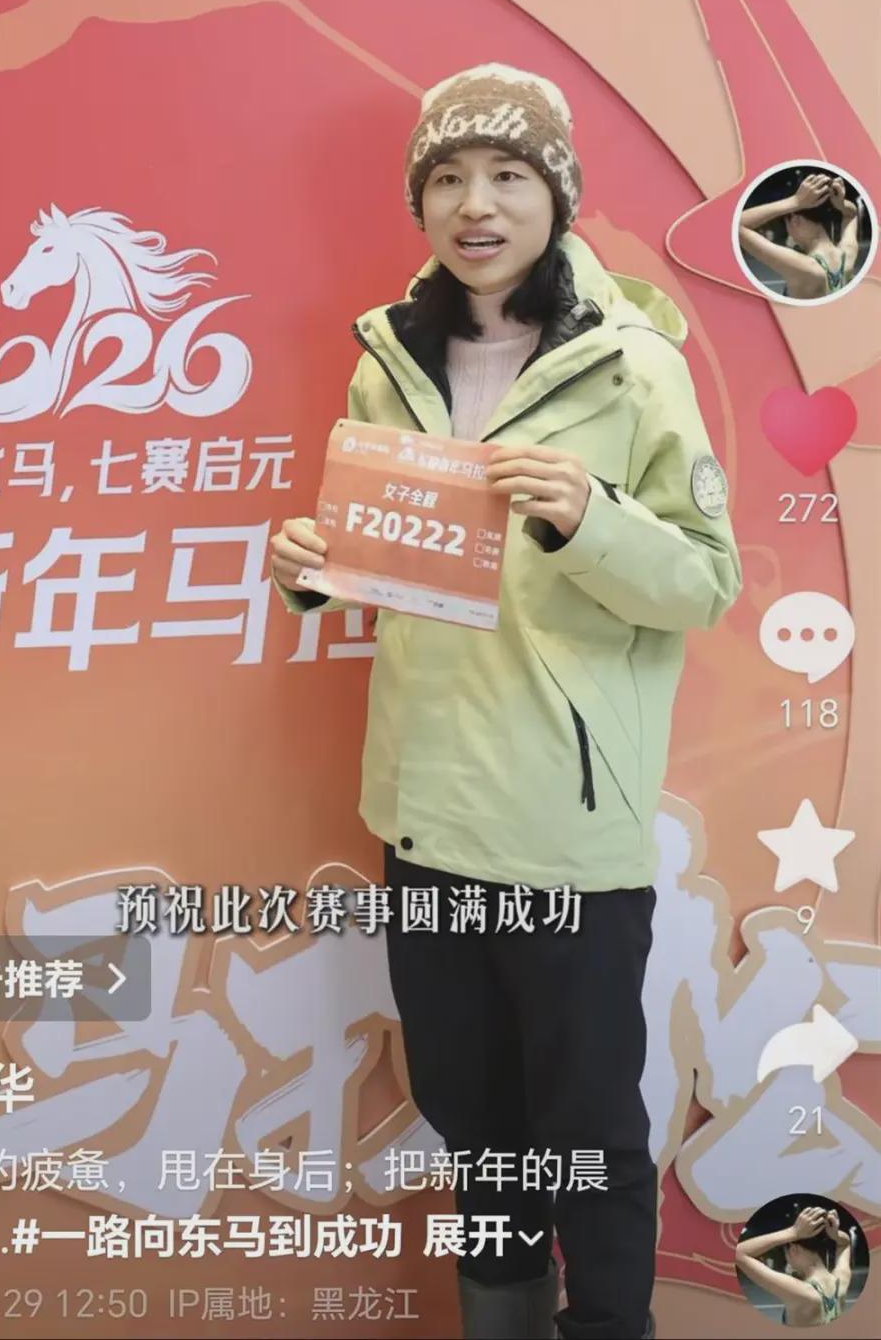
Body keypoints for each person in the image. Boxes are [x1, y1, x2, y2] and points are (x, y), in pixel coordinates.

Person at [269, 65, 743, 1340]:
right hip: (426, 814)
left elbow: (706, 580)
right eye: (447, 178)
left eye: (507, 175)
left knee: (585, 1129)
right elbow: (390, 557)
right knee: (474, 1120)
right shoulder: (391, 362)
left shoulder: (631, 364)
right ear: (421, 201)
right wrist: (313, 563)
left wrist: (593, 518)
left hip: (564, 830)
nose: (474, 204)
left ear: (557, 196)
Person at [738, 171, 860, 299]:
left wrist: (795, 201)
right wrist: (841, 204)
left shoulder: (804, 267)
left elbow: (737, 225)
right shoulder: (847, 255)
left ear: (795, 220)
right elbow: (851, 214)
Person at [735, 1205, 853, 1327]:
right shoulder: (841, 1281)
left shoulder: (801, 1292)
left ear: (793, 1249)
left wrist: (793, 1232)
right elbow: (845, 1244)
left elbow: (738, 1253)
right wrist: (835, 1235)